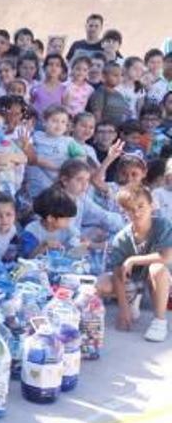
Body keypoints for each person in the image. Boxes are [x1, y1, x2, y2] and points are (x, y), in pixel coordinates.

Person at [99, 185, 171, 341]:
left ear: (151, 205)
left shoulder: (163, 225)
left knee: (158, 268)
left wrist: (133, 259)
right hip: (133, 282)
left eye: (141, 206)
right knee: (102, 283)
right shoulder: (121, 238)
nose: (137, 212)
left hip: (160, 282)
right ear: (124, 212)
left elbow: (166, 257)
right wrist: (123, 309)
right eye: (130, 209)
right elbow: (118, 274)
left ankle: (159, 321)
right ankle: (132, 303)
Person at [26, 106, 85, 198]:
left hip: (59, 179)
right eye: (54, 121)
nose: (59, 125)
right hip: (39, 177)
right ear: (44, 122)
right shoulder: (36, 136)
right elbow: (29, 151)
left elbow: (81, 156)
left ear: (67, 126)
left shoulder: (68, 141)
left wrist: (69, 168)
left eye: (63, 122)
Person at [19, 186, 81, 258]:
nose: (69, 221)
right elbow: (28, 258)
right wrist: (43, 246)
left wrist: (81, 246)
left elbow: (76, 251)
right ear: (51, 218)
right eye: (66, 218)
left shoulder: (68, 230)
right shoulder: (32, 231)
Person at [88, 61, 130, 127]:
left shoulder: (119, 95)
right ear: (104, 76)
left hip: (117, 129)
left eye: (121, 75)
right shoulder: (100, 93)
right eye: (115, 75)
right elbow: (97, 115)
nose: (119, 78)